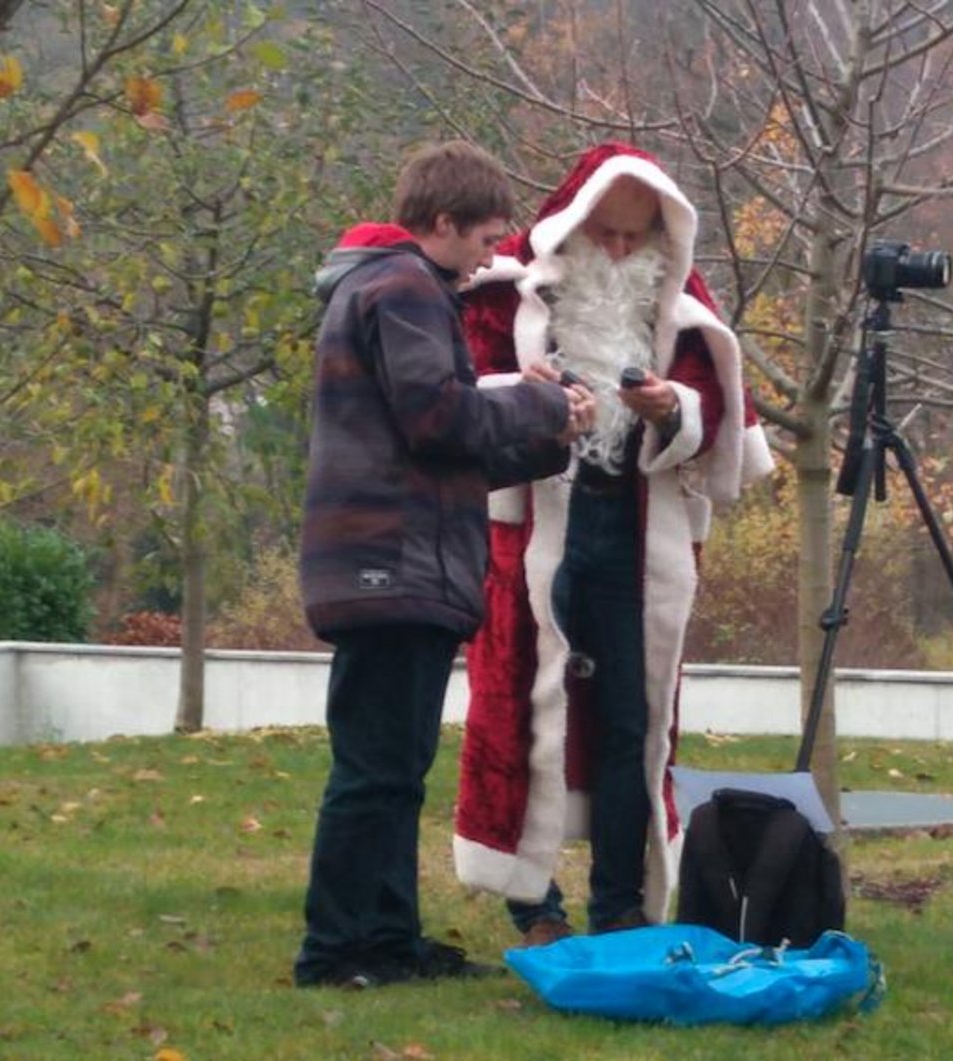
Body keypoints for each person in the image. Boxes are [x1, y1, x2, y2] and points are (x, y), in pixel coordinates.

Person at [452, 142, 774, 946]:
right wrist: (535, 404)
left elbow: (722, 425)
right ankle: (533, 901)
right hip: (533, 529)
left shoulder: (679, 304)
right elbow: (459, 402)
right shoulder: (508, 294)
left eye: (639, 237)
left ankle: (620, 901)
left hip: (633, 526)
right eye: (611, 235)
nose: (625, 252)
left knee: (633, 717)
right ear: (577, 224)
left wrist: (672, 409)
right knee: (525, 705)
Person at [293, 141, 596, 989]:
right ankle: (336, 951)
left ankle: (387, 942)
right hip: (391, 567)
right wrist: (540, 400)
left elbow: (437, 451)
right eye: (488, 239)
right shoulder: (404, 289)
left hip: (387, 563)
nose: (496, 256)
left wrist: (545, 434)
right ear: (442, 224)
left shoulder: (390, 287)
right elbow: (438, 419)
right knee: (375, 772)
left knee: (393, 771)